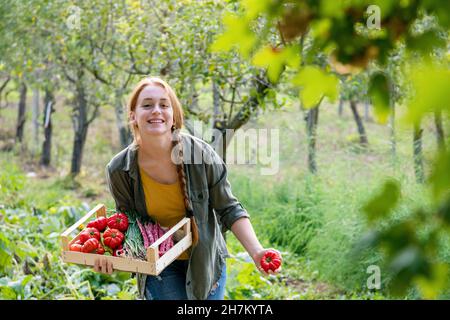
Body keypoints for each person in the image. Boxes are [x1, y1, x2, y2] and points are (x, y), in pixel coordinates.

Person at [94, 77, 282, 300]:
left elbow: (229, 208)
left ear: (174, 115)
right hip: (159, 264)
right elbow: (128, 224)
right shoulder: (120, 169)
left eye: (164, 105)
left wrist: (256, 251)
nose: (156, 111)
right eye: (147, 105)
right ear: (133, 116)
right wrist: (108, 256)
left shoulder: (200, 155)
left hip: (206, 261)